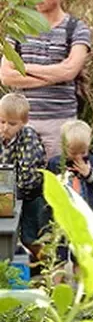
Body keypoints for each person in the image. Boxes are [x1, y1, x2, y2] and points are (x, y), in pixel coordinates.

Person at [0, 0, 92, 160]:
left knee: (58, 181)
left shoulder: (76, 28)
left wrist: (23, 68)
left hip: (59, 122)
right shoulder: (19, 28)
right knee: (16, 183)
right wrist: (55, 75)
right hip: (21, 122)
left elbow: (69, 71)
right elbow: (6, 76)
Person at [46, 120, 93, 263]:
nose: (79, 157)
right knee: (58, 257)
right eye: (74, 153)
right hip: (60, 218)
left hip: (84, 217)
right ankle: (57, 285)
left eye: (83, 152)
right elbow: (47, 187)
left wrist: (89, 175)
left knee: (81, 258)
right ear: (64, 147)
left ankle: (80, 284)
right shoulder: (55, 163)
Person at [0, 94, 47, 260]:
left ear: (24, 121)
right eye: (2, 122)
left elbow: (29, 175)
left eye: (12, 124)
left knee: (30, 238)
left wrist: (13, 194)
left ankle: (49, 265)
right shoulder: (3, 137)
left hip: (32, 195)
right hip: (7, 194)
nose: (5, 128)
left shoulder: (28, 137)